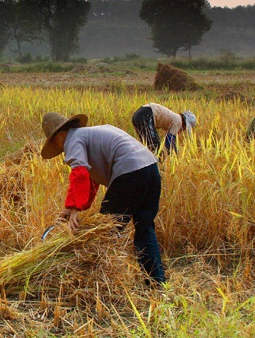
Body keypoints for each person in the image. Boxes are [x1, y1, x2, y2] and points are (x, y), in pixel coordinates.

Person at [40, 111, 165, 285]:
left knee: (104, 232)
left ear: (59, 135)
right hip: (151, 169)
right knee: (144, 228)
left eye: (55, 142)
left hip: (129, 173)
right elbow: (92, 181)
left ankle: (96, 282)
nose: (61, 149)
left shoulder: (72, 139)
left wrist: (75, 209)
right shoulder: (91, 135)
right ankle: (157, 283)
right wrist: (73, 207)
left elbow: (79, 172)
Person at [131, 102, 197, 155]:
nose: (182, 130)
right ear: (184, 123)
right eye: (184, 128)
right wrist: (175, 156)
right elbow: (169, 141)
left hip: (138, 115)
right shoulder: (179, 121)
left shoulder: (174, 118)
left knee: (148, 147)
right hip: (147, 114)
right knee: (156, 148)